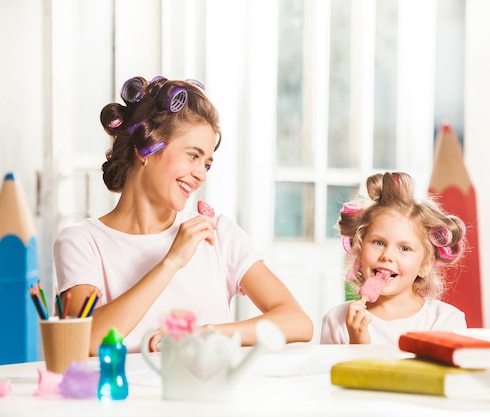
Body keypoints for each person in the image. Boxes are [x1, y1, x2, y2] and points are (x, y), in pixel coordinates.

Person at [54, 76, 313, 354]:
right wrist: (171, 261)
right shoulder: (81, 242)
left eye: (207, 163)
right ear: (145, 149)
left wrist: (205, 334)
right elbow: (86, 340)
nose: (201, 174)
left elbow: (297, 322)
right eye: (193, 156)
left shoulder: (215, 233)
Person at [320, 171, 467, 344]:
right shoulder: (336, 320)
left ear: (425, 265)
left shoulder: (445, 322)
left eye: (404, 248)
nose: (387, 256)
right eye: (379, 243)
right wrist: (356, 343)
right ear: (360, 249)